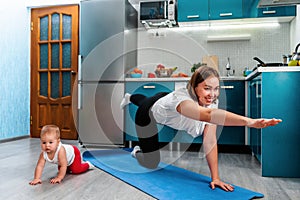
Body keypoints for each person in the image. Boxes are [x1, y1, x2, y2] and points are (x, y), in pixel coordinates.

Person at [121, 65, 282, 192]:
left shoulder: (211, 100)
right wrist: (250, 122)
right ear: (194, 86)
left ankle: (130, 97)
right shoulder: (183, 99)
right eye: (207, 88)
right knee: (151, 161)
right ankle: (137, 150)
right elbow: (208, 114)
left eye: (216, 88)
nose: (212, 94)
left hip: (164, 97)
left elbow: (210, 139)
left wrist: (216, 177)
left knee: (149, 98)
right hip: (149, 114)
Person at [29, 125, 94, 185]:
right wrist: (36, 178)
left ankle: (88, 164)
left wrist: (59, 177)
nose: (47, 145)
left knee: (75, 170)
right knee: (64, 170)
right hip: (64, 160)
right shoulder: (43, 154)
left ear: (58, 142)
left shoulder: (60, 151)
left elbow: (63, 165)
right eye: (44, 142)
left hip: (74, 153)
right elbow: (40, 166)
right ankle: (69, 167)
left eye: (50, 142)